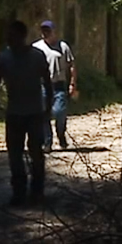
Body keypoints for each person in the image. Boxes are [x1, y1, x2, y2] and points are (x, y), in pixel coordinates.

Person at [0, 20, 53, 207]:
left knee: (36, 153)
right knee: (15, 155)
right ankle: (19, 191)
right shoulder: (4, 58)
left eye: (13, 35)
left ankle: (37, 191)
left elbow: (47, 82)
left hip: (34, 113)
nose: (9, 39)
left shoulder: (37, 56)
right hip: (14, 113)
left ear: (22, 36)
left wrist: (47, 108)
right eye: (8, 36)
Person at [32, 20, 77, 152]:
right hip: (42, 85)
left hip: (59, 85)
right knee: (44, 114)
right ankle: (47, 142)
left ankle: (61, 134)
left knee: (59, 112)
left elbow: (72, 66)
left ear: (54, 32)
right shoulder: (36, 47)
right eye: (43, 30)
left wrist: (72, 83)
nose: (45, 33)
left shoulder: (63, 47)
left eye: (48, 30)